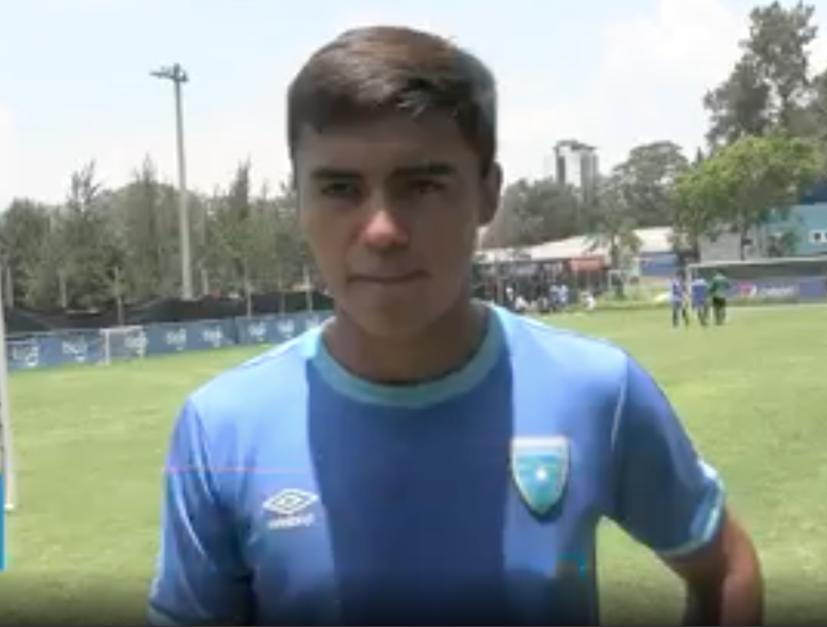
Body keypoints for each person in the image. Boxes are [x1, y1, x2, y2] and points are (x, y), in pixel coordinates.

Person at [147, 26, 763, 626]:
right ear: (300, 204)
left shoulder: (597, 392)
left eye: (422, 185)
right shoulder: (220, 431)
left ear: (487, 195)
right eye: (340, 188)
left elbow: (726, 567)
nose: (382, 230)